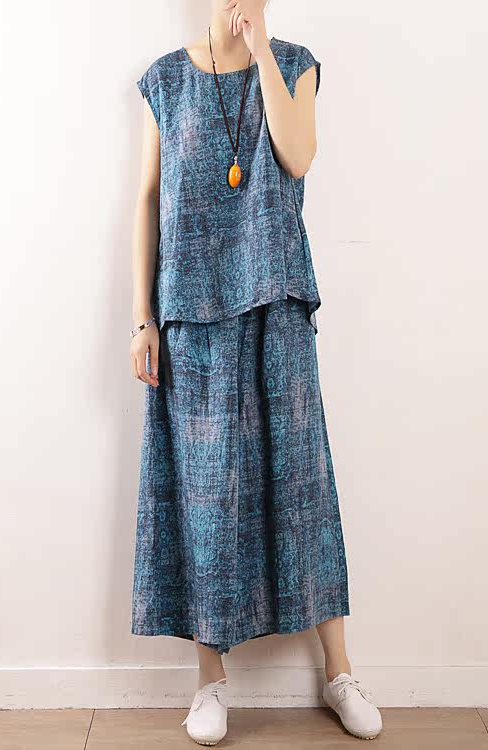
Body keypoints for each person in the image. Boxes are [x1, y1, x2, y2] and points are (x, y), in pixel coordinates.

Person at [128, 0, 382, 744]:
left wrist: (263, 49)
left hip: (277, 301)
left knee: (303, 485)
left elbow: (297, 157)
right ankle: (210, 681)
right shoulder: (165, 81)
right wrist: (142, 318)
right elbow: (147, 198)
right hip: (191, 314)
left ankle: (339, 672)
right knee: (206, 496)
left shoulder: (295, 65)